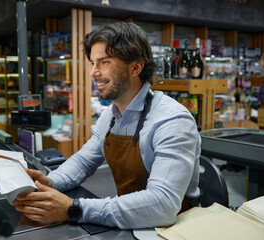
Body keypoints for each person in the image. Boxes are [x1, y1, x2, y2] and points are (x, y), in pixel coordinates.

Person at [14, 22, 201, 229]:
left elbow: (163, 204)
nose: (94, 72)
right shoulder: (109, 117)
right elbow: (83, 162)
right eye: (93, 63)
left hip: (176, 228)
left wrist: (74, 208)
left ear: (135, 67)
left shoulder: (171, 120)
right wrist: (50, 181)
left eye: (104, 62)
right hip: (132, 222)